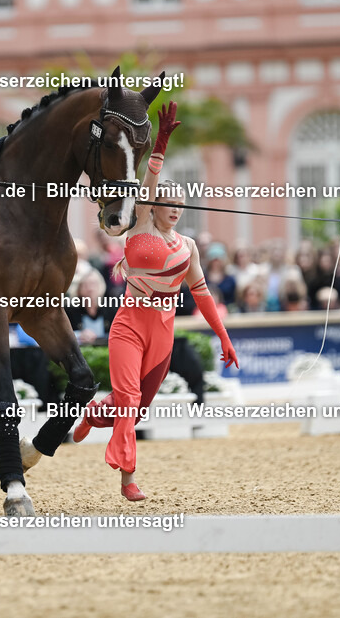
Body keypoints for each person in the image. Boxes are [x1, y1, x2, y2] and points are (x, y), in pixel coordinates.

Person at [72, 102, 240, 502]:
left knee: (135, 408)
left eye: (181, 206)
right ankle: (128, 480)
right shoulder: (141, 221)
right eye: (171, 205)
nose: (177, 211)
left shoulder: (189, 248)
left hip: (162, 335)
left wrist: (225, 337)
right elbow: (149, 179)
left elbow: (202, 297)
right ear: (155, 207)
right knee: (128, 401)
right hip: (129, 325)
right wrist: (161, 141)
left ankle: (94, 416)